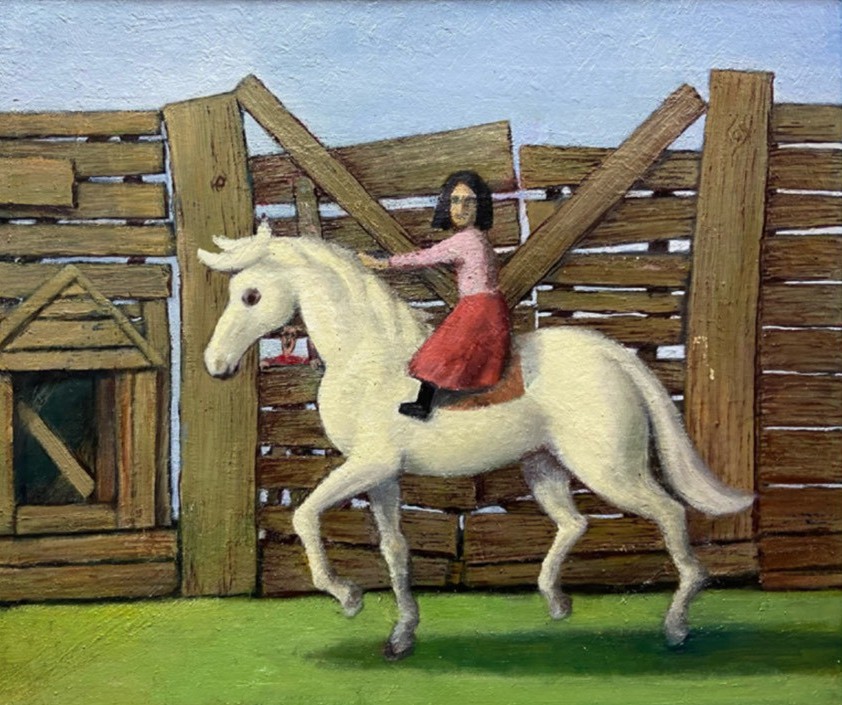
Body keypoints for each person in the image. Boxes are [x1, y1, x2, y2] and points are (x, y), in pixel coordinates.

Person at [359, 170, 511, 420]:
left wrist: (384, 263)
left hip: (478, 308)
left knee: (439, 352)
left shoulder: (466, 240)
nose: (461, 208)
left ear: (480, 206)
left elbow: (425, 257)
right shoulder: (478, 238)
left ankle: (424, 406)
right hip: (490, 307)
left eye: (469, 201)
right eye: (455, 201)